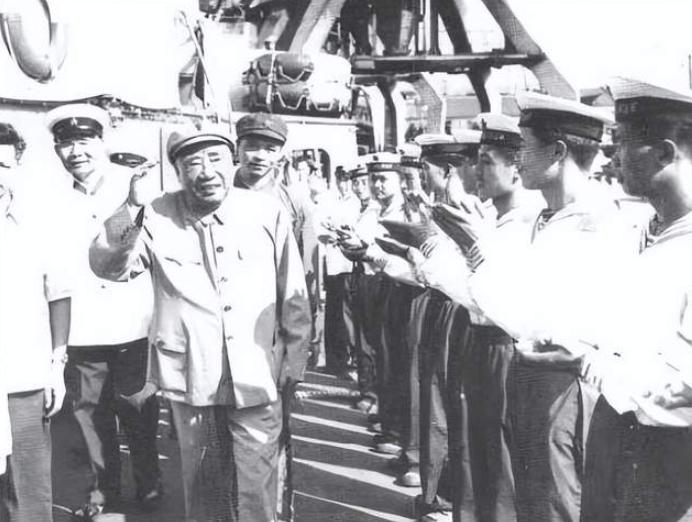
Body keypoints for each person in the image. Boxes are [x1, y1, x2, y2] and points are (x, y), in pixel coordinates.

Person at [432, 93, 642, 521]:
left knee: (554, 504)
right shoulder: (548, 218)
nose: (518, 158)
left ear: (558, 152)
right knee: (528, 500)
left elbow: (532, 318)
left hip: (564, 386)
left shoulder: (597, 224)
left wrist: (477, 253)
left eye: (525, 147)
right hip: (531, 377)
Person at [89, 126, 311, 521]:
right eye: (192, 163)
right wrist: (131, 208)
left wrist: (294, 359)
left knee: (257, 482)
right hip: (192, 375)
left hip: (257, 372)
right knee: (203, 483)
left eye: (216, 159)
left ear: (233, 161)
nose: (206, 171)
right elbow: (108, 267)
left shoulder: (266, 212)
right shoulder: (155, 214)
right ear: (177, 172)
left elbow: (292, 291)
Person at [579, 78, 692, 522]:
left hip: (671, 452)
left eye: (622, 143)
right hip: (616, 429)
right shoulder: (637, 231)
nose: (612, 157)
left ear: (664, 153)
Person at [45, 103, 161, 514]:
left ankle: (149, 483)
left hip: (133, 322)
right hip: (83, 326)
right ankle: (102, 492)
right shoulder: (51, 198)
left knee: (139, 409)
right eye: (66, 144)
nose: (75, 152)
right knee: (88, 416)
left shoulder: (135, 188)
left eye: (84, 141)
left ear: (101, 142)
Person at [0, 122, 71, 521]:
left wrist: (56, 366)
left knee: (27, 491)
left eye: (2, 166)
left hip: (22, 379)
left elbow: (58, 295)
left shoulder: (39, 228)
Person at [233, 113, 321, 367]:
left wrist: (306, 334)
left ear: (280, 154)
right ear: (237, 148)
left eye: (270, 149)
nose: (260, 156)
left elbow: (308, 271)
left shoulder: (295, 203)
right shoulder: (216, 196)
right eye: (251, 147)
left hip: (274, 318)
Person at [315, 166, 359, 376]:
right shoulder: (328, 200)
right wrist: (331, 234)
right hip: (334, 263)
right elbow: (319, 229)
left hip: (351, 265)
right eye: (341, 179)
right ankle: (334, 360)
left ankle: (350, 359)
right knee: (334, 312)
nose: (345, 184)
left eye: (348, 179)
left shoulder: (357, 202)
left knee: (348, 313)